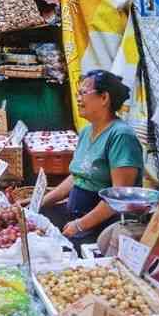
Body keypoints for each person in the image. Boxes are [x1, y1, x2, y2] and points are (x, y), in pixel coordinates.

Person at [41, 70, 143, 247]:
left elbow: (119, 196)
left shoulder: (121, 136)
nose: (78, 98)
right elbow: (77, 176)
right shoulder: (87, 131)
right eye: (77, 93)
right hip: (77, 213)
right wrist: (40, 203)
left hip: (104, 225)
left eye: (83, 93)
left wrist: (80, 225)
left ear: (104, 98)